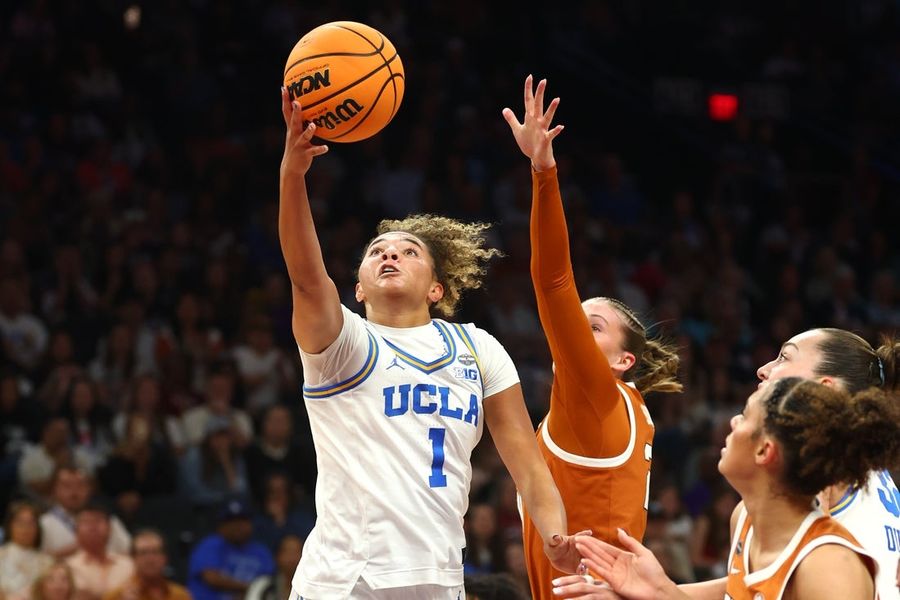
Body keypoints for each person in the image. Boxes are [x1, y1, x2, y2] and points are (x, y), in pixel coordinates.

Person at [278, 88, 581, 599]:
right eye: (376, 252)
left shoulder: (477, 349)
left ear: (437, 288)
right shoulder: (343, 344)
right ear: (358, 287)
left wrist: (554, 533)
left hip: (439, 578)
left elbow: (529, 468)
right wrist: (293, 175)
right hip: (346, 579)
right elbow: (307, 278)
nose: (389, 256)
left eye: (408, 251)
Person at [502, 76, 681, 600]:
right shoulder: (624, 406)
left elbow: (553, 281)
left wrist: (543, 171)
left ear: (624, 360)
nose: (576, 330)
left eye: (593, 325)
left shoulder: (598, 398)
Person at [552, 377, 899, 599]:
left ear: (765, 450)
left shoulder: (829, 566)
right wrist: (655, 592)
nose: (732, 422)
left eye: (745, 416)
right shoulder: (744, 521)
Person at [187, 499, 274, 600]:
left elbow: (267, 584)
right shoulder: (210, 545)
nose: (237, 526)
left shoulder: (261, 552)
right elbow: (211, 578)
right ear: (221, 526)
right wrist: (248, 588)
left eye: (242, 520)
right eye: (231, 521)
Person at [40, 466, 131, 558]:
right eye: (67, 486)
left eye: (80, 485)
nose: (74, 492)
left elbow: (130, 552)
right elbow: (36, 561)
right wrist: (75, 548)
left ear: (89, 489)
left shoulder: (108, 520)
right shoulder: (43, 524)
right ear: (55, 490)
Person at [65, 502, 135, 600]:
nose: (92, 526)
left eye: (98, 521)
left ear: (110, 529)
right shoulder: (68, 567)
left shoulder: (129, 564)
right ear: (76, 531)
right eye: (86, 522)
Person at [103, 529, 191, 600]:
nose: (150, 559)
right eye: (143, 553)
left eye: (155, 552)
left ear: (165, 558)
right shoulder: (116, 597)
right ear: (133, 559)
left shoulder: (181, 595)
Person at [0, 501, 53, 599]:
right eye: (20, 523)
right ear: (9, 526)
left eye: (31, 523)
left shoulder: (48, 562)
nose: (26, 528)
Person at [246, 534, 303, 600]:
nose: (292, 558)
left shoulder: (311, 588)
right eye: (287, 552)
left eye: (296, 552)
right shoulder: (262, 585)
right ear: (277, 557)